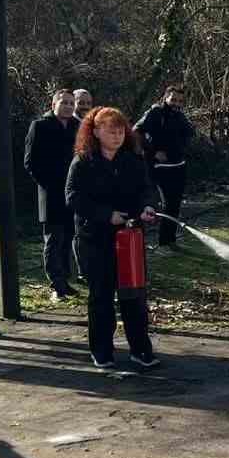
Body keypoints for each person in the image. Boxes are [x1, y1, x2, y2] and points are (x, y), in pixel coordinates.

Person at [65, 107, 161, 370]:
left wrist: (148, 206)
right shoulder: (83, 161)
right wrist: (106, 216)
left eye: (120, 131)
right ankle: (102, 351)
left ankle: (140, 350)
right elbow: (73, 197)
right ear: (95, 132)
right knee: (101, 296)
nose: (117, 136)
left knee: (134, 296)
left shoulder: (132, 160)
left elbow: (146, 189)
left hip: (129, 239)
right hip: (95, 239)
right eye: (111, 130)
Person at [24, 89, 80, 301]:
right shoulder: (40, 126)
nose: (68, 106)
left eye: (71, 103)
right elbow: (30, 162)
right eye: (64, 102)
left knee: (68, 238)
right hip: (51, 192)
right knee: (54, 240)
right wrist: (49, 185)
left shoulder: (77, 126)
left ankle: (65, 281)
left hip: (72, 193)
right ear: (53, 104)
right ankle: (55, 284)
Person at [134, 83, 194, 247]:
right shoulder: (155, 113)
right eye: (173, 99)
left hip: (179, 167)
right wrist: (153, 152)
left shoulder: (181, 116)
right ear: (165, 98)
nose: (176, 103)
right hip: (159, 168)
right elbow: (136, 132)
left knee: (174, 205)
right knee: (153, 203)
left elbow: (188, 135)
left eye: (180, 101)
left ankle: (168, 240)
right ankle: (140, 239)